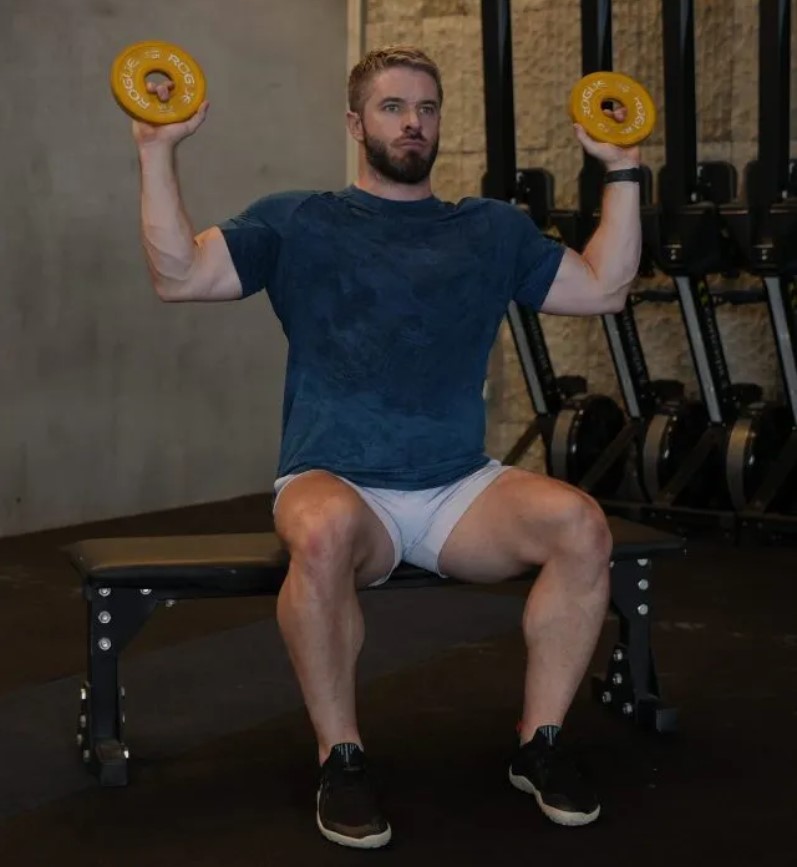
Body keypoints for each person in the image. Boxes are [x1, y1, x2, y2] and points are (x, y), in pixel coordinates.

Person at [133, 45, 642, 849]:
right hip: (336, 479)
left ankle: (539, 744)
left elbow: (603, 288)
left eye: (427, 108)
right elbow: (179, 274)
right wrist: (157, 148)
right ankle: (342, 757)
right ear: (355, 122)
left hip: (457, 487)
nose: (413, 122)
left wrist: (621, 171)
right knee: (325, 530)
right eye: (393, 107)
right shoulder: (297, 218)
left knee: (580, 523)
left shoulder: (489, 228)